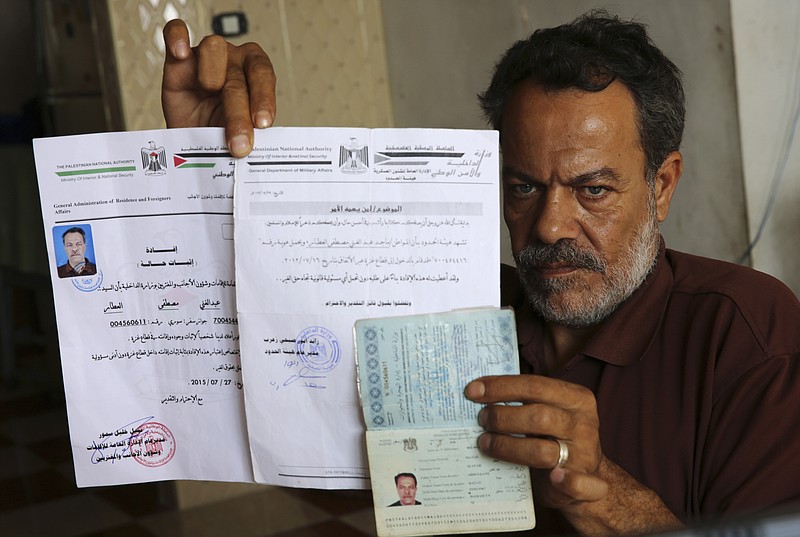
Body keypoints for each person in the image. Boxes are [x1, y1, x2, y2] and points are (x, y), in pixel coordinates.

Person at [161, 11, 800, 536]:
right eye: (523, 187)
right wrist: (212, 165)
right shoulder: (450, 305)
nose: (548, 226)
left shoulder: (746, 335)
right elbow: (252, 313)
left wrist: (602, 493)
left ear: (661, 186)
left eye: (594, 190)